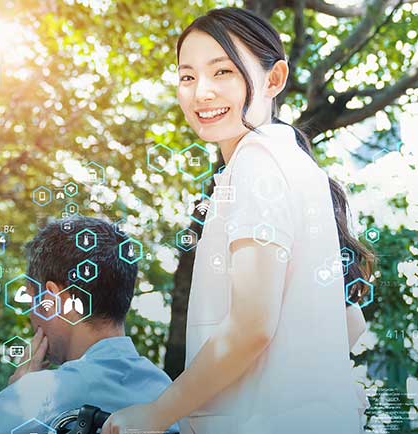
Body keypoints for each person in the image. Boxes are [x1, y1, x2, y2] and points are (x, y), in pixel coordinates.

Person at [103, 7, 375, 434]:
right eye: (187, 76)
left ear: (274, 78)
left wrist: (156, 414)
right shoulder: (295, 164)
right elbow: (349, 321)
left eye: (223, 71)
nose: (201, 93)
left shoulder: (257, 163)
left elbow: (251, 324)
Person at [0, 216, 179, 434]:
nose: (31, 316)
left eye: (31, 299)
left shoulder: (45, 395)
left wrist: (17, 396)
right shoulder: (166, 391)